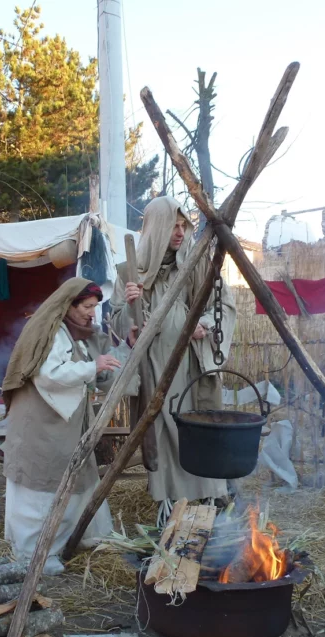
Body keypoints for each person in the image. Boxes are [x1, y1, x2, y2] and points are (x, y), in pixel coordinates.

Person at [109, 196, 237, 523]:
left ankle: (211, 498)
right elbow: (117, 324)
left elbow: (222, 305)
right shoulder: (128, 268)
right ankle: (169, 506)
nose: (179, 233)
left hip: (190, 365)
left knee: (197, 427)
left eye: (183, 226)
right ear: (156, 228)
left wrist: (203, 323)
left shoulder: (194, 263)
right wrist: (130, 310)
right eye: (173, 226)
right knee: (163, 432)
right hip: (153, 365)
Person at [1, 278, 121, 575]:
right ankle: (34, 554)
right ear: (69, 304)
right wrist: (92, 367)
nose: (92, 313)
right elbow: (48, 374)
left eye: (95, 306)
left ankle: (71, 538)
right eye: (87, 306)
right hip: (41, 424)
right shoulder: (50, 332)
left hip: (64, 422)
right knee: (42, 485)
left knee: (74, 477)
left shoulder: (72, 332)